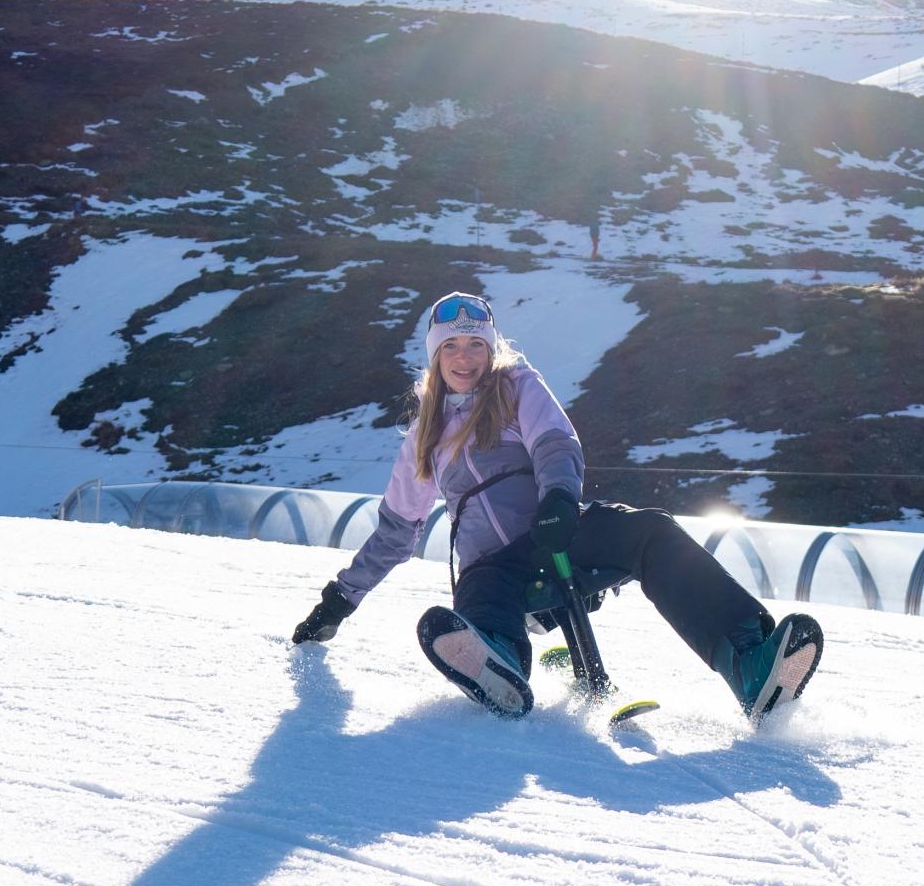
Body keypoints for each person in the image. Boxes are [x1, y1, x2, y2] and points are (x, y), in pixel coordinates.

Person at [293, 291, 823, 721]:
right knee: (483, 594)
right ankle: (496, 666)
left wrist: (559, 499)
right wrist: (339, 601)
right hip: (491, 564)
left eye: (475, 344)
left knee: (653, 533)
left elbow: (554, 444)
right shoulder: (423, 436)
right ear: (435, 355)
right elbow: (396, 531)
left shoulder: (516, 386)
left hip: (557, 531)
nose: (464, 357)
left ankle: (749, 662)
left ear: (490, 349)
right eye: (451, 345)